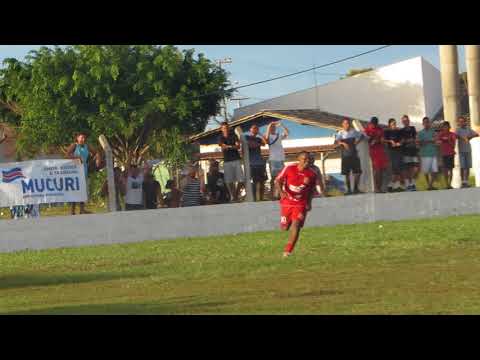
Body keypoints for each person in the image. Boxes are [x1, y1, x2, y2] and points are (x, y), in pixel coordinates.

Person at [275, 151, 317, 258]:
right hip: (287, 202)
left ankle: (287, 251)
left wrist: (309, 202)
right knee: (285, 228)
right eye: (304, 159)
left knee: (296, 225)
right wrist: (281, 192)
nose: (307, 162)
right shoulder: (289, 168)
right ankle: (286, 226)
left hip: (300, 203)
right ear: (298, 159)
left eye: (308, 160)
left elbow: (312, 190)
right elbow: (278, 180)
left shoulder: (312, 174)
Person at [66, 132, 98, 215]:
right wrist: (77, 158)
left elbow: (95, 153)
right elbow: (67, 155)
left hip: (84, 170)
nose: (83, 139)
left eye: (84, 138)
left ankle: (82, 209)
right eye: (81, 138)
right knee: (75, 190)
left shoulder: (87, 146)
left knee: (82, 190)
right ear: (77, 138)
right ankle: (72, 210)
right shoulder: (74, 146)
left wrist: (90, 161)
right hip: (75, 172)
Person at [334, 118, 365, 195]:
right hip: (345, 155)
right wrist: (343, 143)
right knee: (346, 174)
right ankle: (348, 190)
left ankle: (355, 188)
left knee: (358, 172)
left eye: (347, 123)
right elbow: (335, 142)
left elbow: (362, 136)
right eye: (345, 123)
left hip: (354, 154)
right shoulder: (340, 133)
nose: (346, 125)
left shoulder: (353, 131)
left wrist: (357, 142)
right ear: (342, 124)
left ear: (349, 124)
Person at [218, 122, 244, 202]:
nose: (225, 129)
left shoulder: (234, 136)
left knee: (241, 179)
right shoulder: (221, 137)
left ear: (228, 128)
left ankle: (236, 194)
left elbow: (238, 146)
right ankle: (232, 196)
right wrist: (232, 147)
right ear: (221, 129)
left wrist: (229, 146)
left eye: (226, 128)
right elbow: (222, 146)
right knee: (229, 181)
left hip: (236, 159)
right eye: (224, 128)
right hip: (227, 160)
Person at [264, 121, 289, 200]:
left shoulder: (278, 135)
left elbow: (287, 133)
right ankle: (272, 194)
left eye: (274, 127)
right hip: (273, 159)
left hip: (281, 158)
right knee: (273, 177)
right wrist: (269, 125)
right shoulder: (268, 136)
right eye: (271, 127)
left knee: (281, 177)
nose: (273, 128)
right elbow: (266, 139)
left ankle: (279, 194)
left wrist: (282, 125)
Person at [364, 117, 388, 193]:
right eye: (372, 123)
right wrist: (372, 140)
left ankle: (379, 188)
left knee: (382, 170)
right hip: (373, 151)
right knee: (377, 170)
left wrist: (381, 140)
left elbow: (382, 139)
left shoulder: (380, 129)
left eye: (374, 123)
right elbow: (366, 138)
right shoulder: (367, 129)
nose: (373, 125)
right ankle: (377, 188)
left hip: (381, 150)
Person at [455, 116, 479, 188]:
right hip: (461, 150)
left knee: (468, 166)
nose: (461, 123)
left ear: (465, 122)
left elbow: (476, 134)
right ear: (458, 123)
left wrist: (469, 137)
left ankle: (467, 181)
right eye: (460, 121)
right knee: (462, 167)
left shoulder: (468, 129)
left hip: (468, 150)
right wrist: (463, 138)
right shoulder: (458, 130)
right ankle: (462, 181)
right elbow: (456, 136)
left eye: (463, 121)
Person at [246, 124, 268, 201]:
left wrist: (261, 134)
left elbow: (265, 143)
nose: (255, 129)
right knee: (255, 182)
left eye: (257, 128)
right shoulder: (247, 137)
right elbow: (250, 145)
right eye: (254, 128)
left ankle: (261, 198)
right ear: (250, 129)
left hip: (260, 162)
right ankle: (255, 199)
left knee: (262, 182)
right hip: (252, 163)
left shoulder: (258, 138)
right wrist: (258, 144)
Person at [417, 117, 439, 190]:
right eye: (425, 122)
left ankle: (430, 185)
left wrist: (426, 141)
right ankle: (428, 185)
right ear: (423, 124)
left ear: (429, 123)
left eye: (428, 122)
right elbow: (419, 143)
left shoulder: (433, 131)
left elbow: (435, 140)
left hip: (433, 152)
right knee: (426, 171)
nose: (426, 124)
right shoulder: (420, 133)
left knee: (434, 170)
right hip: (424, 154)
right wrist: (429, 141)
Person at [383, 118, 404, 192]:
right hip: (391, 152)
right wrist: (391, 141)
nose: (394, 125)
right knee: (395, 168)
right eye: (392, 124)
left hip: (399, 151)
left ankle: (394, 185)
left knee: (398, 168)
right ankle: (392, 185)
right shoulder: (387, 131)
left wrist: (399, 143)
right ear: (389, 125)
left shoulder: (398, 131)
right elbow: (383, 139)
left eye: (395, 123)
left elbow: (402, 140)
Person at [400, 115, 420, 191]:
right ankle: (408, 184)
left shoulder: (412, 128)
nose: (406, 122)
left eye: (407, 120)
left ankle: (412, 183)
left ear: (409, 121)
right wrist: (408, 140)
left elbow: (415, 138)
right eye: (404, 121)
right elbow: (402, 141)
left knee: (415, 168)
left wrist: (414, 141)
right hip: (406, 151)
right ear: (402, 122)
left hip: (413, 150)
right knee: (407, 168)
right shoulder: (401, 131)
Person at [436, 121, 456, 189]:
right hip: (443, 153)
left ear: (449, 127)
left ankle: (450, 184)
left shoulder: (452, 134)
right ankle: (446, 184)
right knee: (445, 170)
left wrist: (448, 140)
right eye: (444, 126)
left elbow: (453, 145)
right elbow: (437, 143)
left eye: (446, 126)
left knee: (450, 169)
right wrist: (440, 141)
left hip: (450, 153)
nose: (445, 128)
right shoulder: (440, 135)